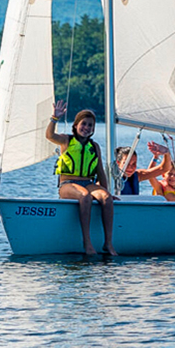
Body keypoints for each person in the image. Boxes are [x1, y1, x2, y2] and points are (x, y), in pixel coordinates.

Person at [45, 101, 117, 256]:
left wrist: (107, 190)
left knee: (106, 198)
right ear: (76, 125)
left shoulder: (94, 146)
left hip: (88, 182)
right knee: (85, 196)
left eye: (90, 125)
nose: (87, 128)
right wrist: (54, 118)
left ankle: (108, 243)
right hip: (68, 184)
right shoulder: (66, 140)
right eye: (84, 124)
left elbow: (100, 172)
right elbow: (49, 135)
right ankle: (87, 242)